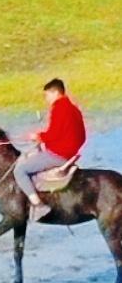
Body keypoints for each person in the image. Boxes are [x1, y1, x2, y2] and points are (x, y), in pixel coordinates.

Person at [27, 75, 89, 203]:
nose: (47, 99)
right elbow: (82, 136)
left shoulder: (59, 108)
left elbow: (54, 133)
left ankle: (38, 205)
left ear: (55, 92)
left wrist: (39, 136)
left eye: (47, 95)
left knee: (21, 170)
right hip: (70, 153)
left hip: (58, 154)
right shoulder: (74, 108)